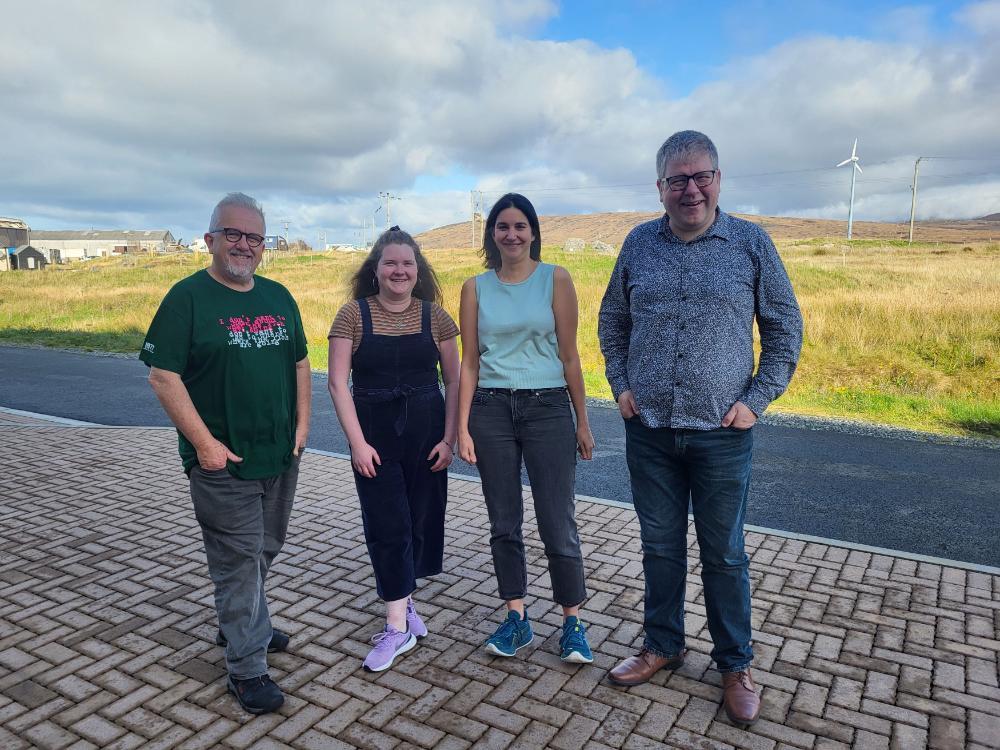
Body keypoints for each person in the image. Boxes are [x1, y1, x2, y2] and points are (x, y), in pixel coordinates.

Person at [598, 131, 803, 724]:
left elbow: (785, 328)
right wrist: (622, 388)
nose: (691, 189)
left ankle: (735, 663)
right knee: (660, 548)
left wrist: (756, 400)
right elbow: (613, 323)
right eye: (677, 179)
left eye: (701, 176)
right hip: (652, 431)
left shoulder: (750, 243)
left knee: (725, 554)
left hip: (722, 434)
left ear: (718, 177)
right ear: (659, 186)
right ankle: (662, 645)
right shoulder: (639, 244)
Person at [140, 192, 311, 715]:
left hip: (280, 455)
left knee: (265, 549)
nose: (244, 245)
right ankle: (247, 666)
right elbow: (163, 376)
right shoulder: (187, 298)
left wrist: (303, 426)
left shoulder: (279, 296)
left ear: (265, 245)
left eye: (254, 237)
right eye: (232, 234)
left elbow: (301, 364)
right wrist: (206, 446)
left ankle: (243, 624)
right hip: (222, 464)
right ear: (211, 239)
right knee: (237, 563)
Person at [457, 193, 596, 664]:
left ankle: (572, 623)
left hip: (549, 408)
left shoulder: (556, 279)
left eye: (520, 226)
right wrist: (462, 427)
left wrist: (583, 421)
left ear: (533, 231)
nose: (511, 234)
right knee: (504, 522)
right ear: (491, 234)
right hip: (491, 410)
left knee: (557, 521)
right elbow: (469, 363)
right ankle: (516, 618)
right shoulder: (475, 288)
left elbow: (570, 356)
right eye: (502, 226)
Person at [328, 226, 460, 672]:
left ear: (417, 269)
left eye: (407, 263)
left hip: (427, 433)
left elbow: (456, 380)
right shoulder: (352, 315)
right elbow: (336, 383)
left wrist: (449, 438)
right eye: (391, 263)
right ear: (376, 269)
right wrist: (357, 444)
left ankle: (405, 602)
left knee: (420, 522)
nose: (400, 270)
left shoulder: (438, 318)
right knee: (388, 525)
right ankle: (397, 627)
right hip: (374, 436)